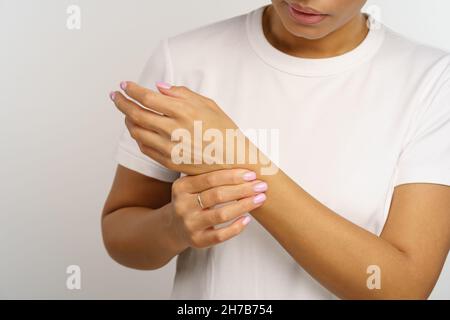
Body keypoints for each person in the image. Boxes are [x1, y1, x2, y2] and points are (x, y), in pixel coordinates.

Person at [102, 1, 450, 299]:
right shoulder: (184, 59)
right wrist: (173, 227)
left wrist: (238, 157)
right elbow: (120, 232)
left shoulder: (431, 81)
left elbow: (403, 287)